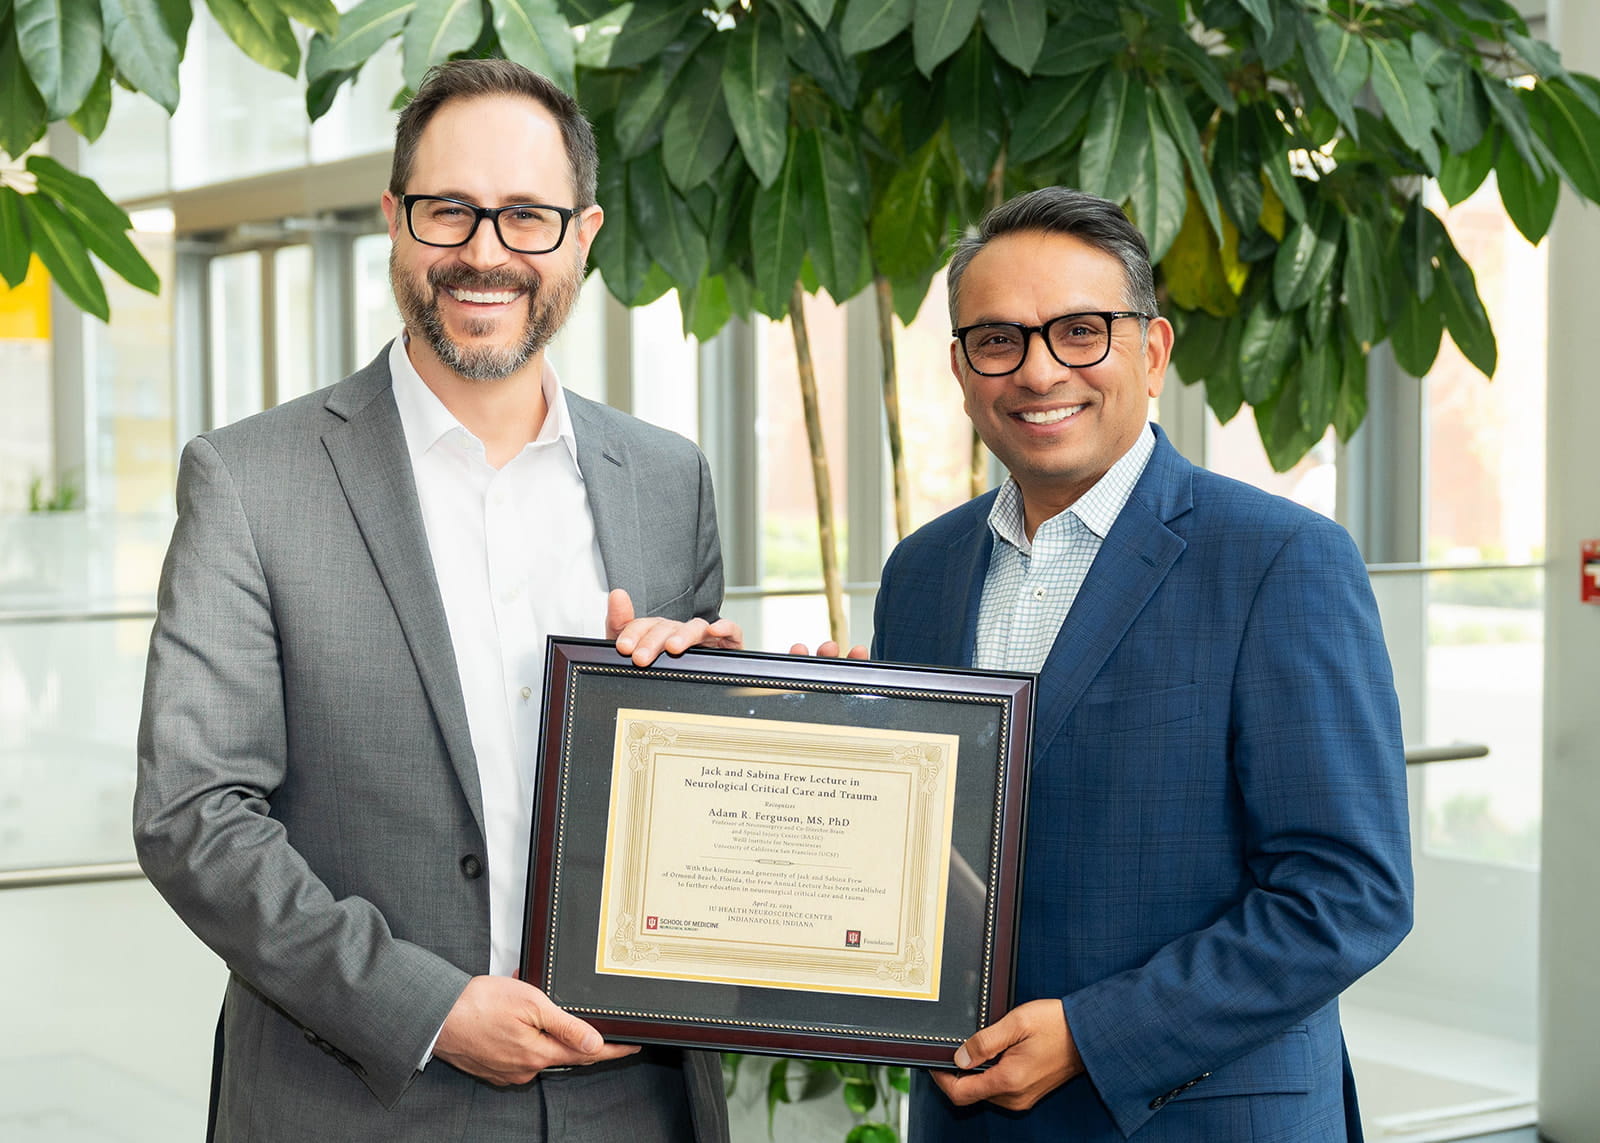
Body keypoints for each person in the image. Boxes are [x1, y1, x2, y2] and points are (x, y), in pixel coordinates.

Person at [134, 59, 738, 1142]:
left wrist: (738, 713)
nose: (485, 251)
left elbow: (691, 809)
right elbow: (195, 815)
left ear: (584, 233)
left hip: (632, 1102)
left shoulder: (667, 478)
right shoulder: (250, 480)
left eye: (527, 217)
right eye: (448, 210)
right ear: (393, 223)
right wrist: (428, 1008)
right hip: (362, 1098)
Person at [871, 188, 1414, 1141]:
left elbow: (1347, 891)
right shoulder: (920, 573)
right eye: (997, 340)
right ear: (961, 369)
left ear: (1153, 352)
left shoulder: (1280, 560)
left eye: (1081, 331)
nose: (1039, 371)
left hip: (1201, 1116)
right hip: (969, 1115)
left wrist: (1093, 1032)